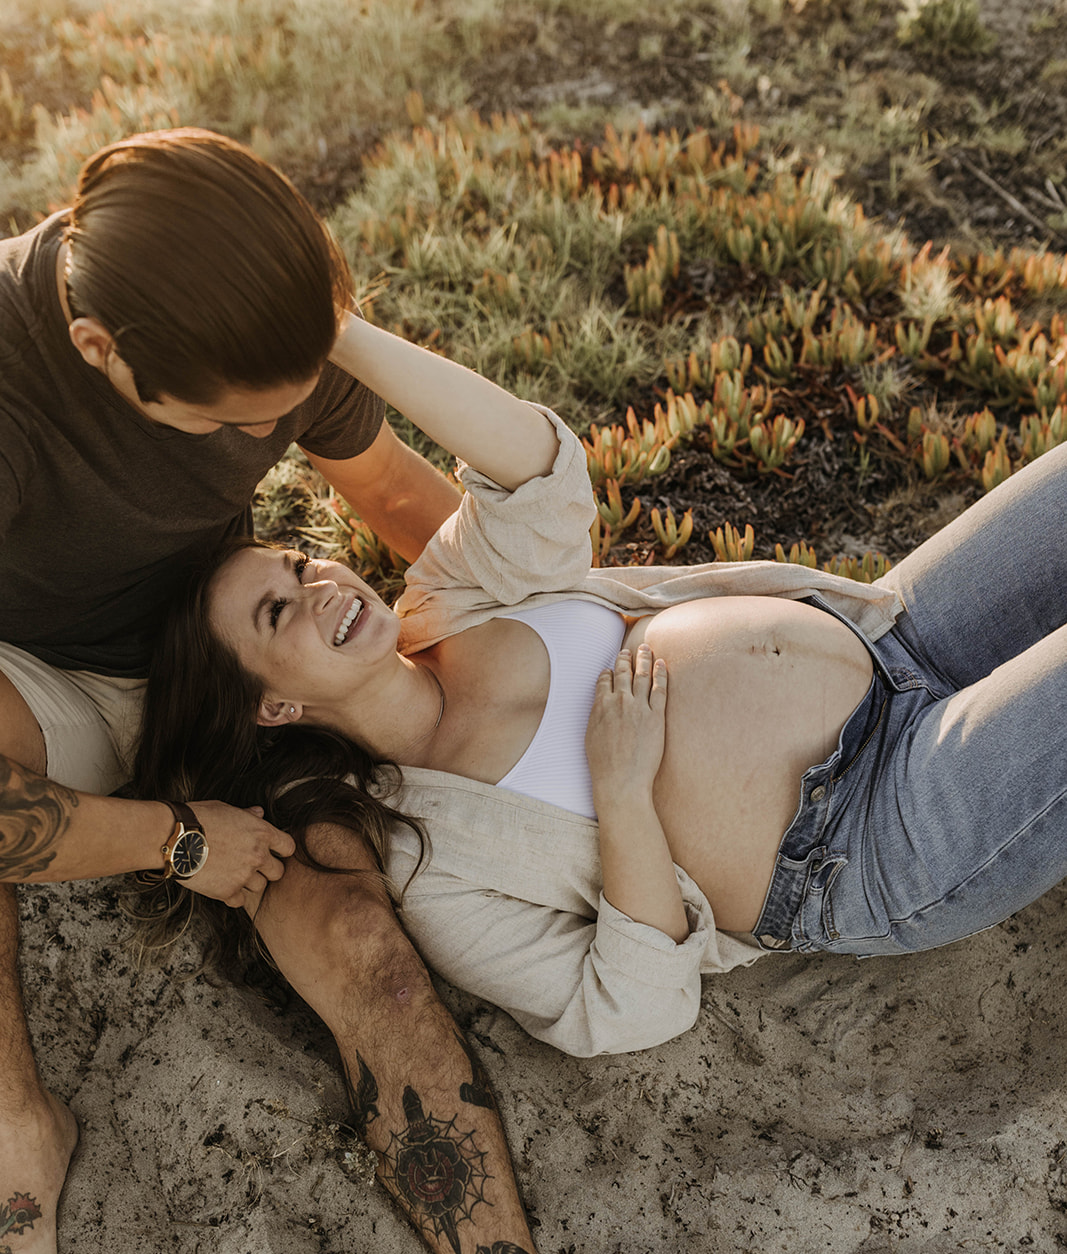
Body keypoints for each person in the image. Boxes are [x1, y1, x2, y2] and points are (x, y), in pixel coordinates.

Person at [0, 128, 682, 1254]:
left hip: (239, 640)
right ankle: (18, 1135)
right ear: (101, 348)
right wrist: (171, 839)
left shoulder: (228, 298)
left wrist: (534, 631)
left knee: (360, 938)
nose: (275, 428)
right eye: (243, 417)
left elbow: (392, 502)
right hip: (37, 686)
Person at [135, 312, 1067, 1063]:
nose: (318, 589)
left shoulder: (447, 603)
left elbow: (538, 471)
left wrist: (329, 329)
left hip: (890, 633)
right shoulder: (436, 868)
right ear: (275, 705)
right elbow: (622, 1011)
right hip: (873, 835)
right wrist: (623, 798)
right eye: (276, 614)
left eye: (299, 564)